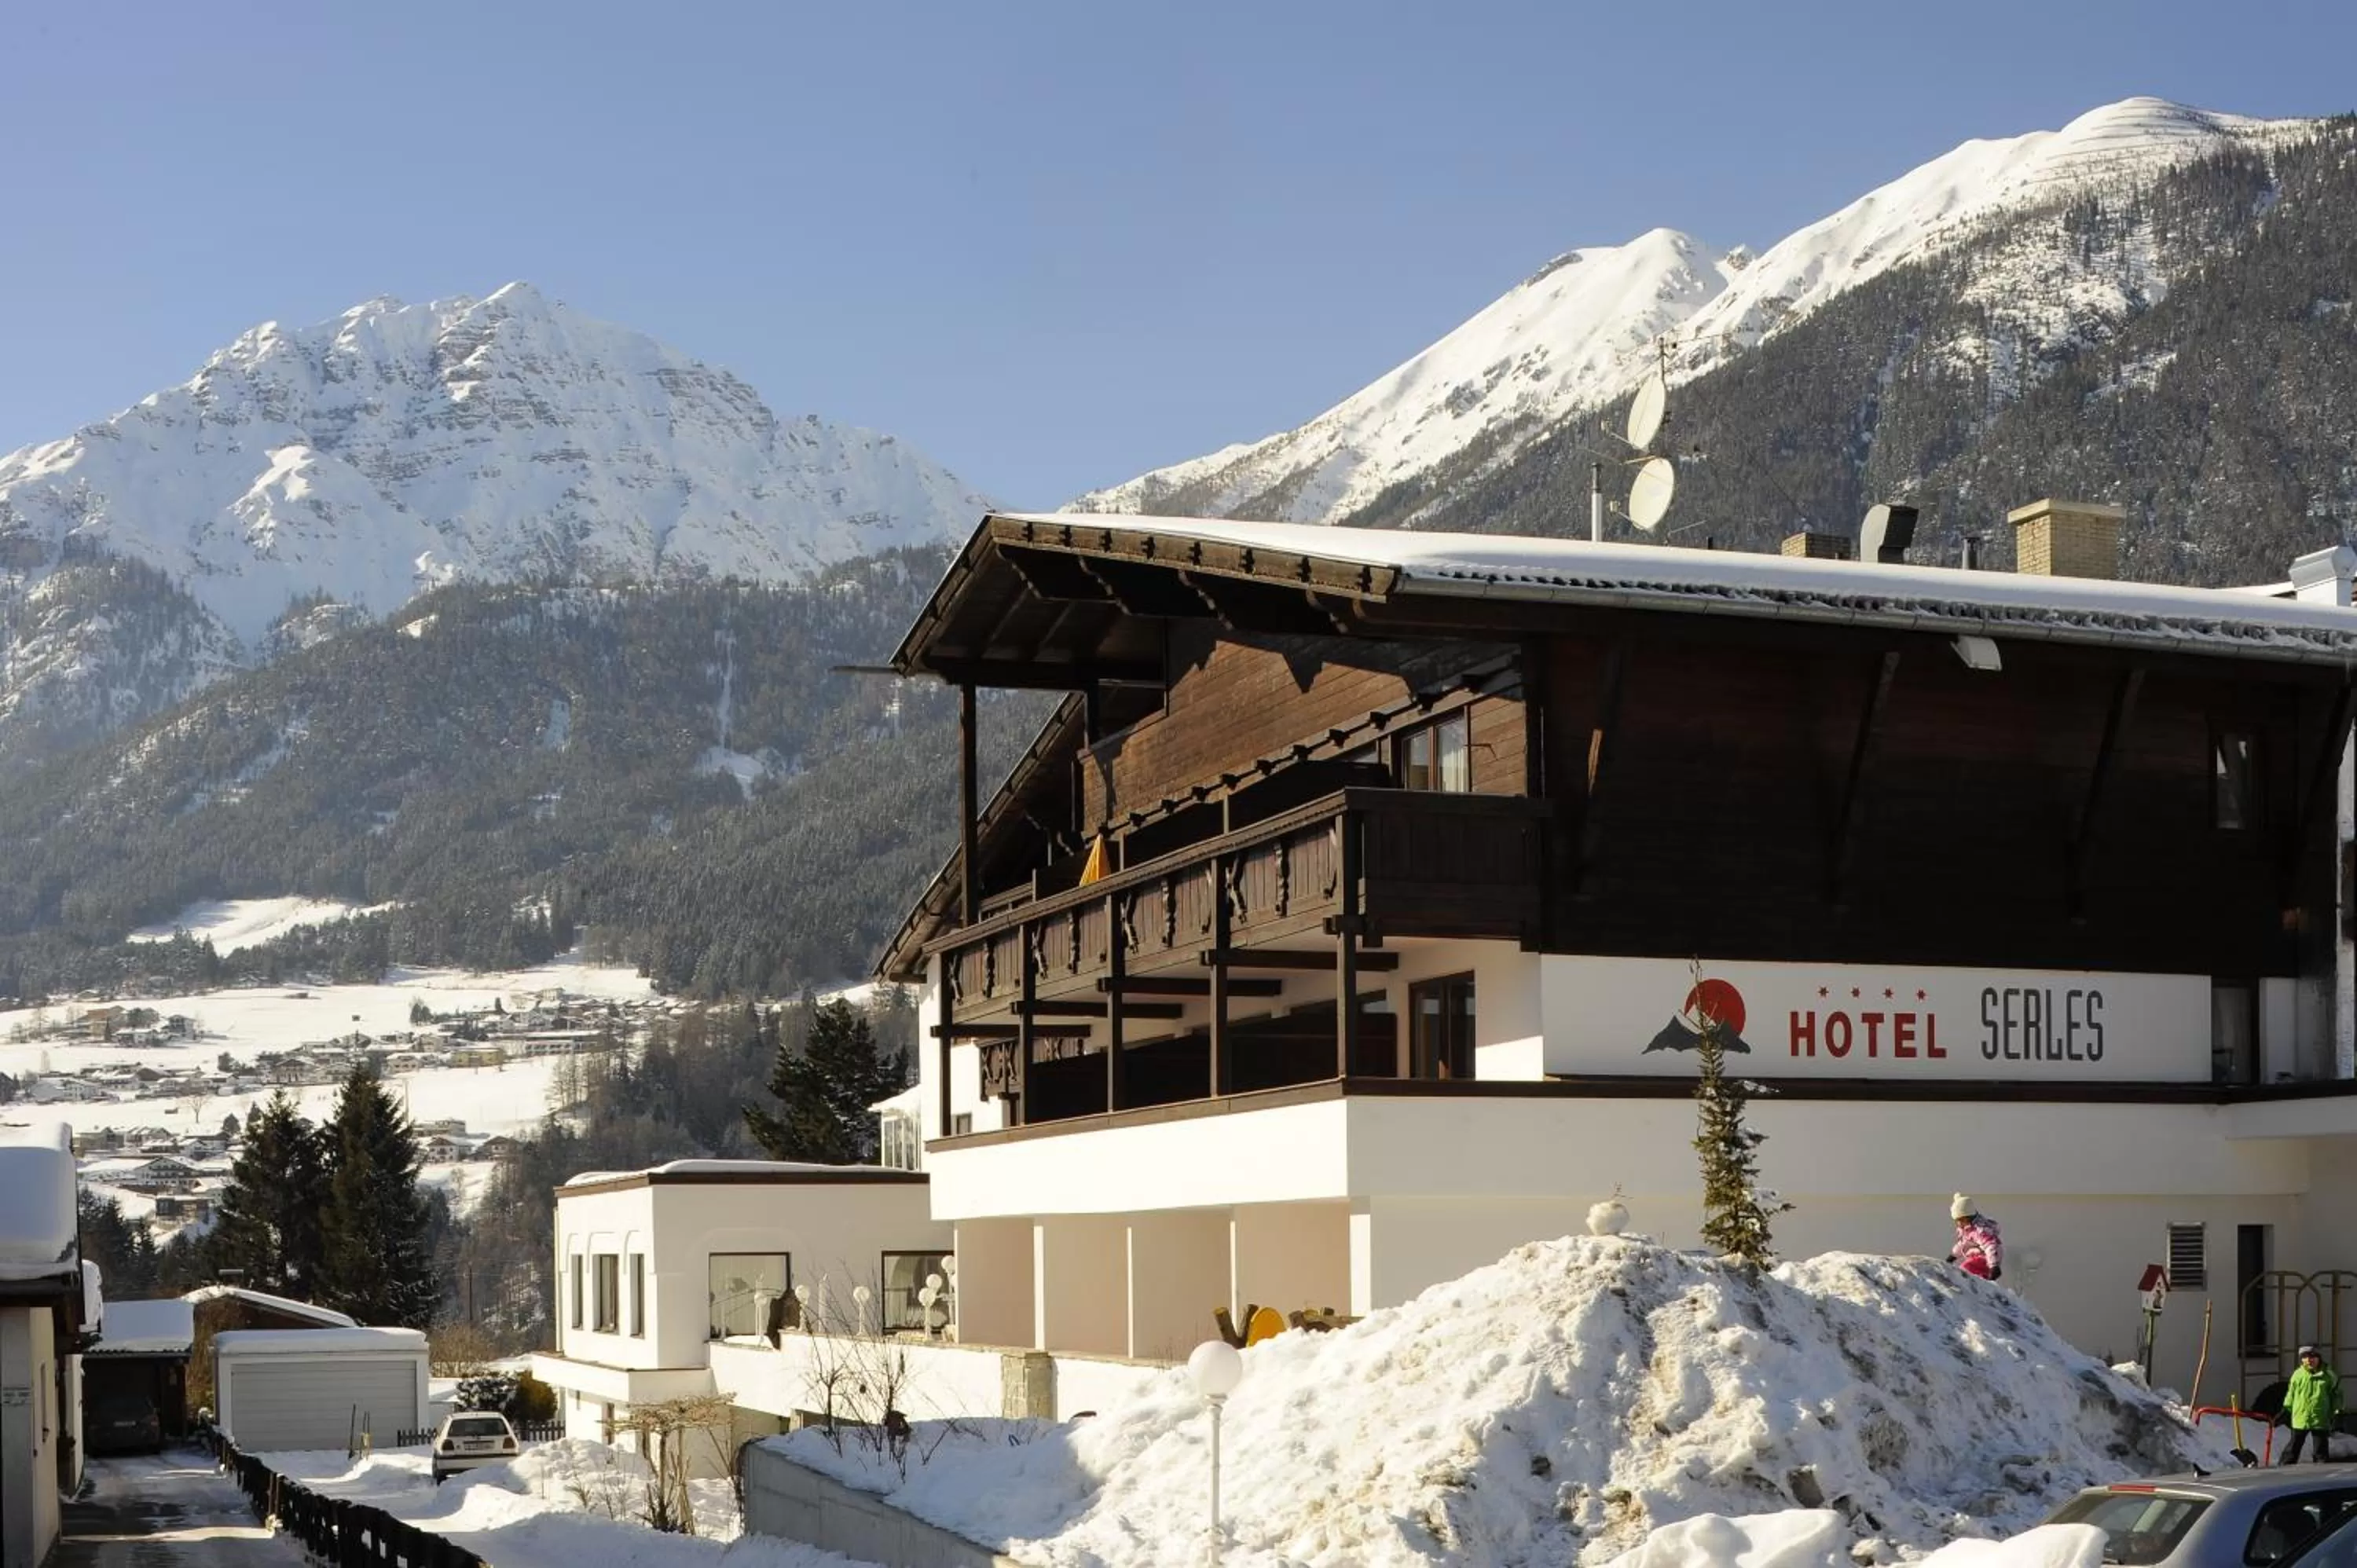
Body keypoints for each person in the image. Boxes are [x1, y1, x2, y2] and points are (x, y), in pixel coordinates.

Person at [2282, 1344, 2342, 1464]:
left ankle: (2320, 1473)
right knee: (2293, 1448)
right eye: (2305, 1357)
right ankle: (2284, 1469)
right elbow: (2291, 1393)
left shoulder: (2328, 1375)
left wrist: (2337, 1410)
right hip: (2300, 1416)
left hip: (2320, 1417)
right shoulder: (2298, 1374)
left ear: (2319, 1358)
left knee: (2320, 1450)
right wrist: (2286, 1408)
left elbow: (2337, 1394)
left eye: (2312, 1357)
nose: (2309, 1360)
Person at [1949, 1194, 2003, 1281]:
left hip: (1987, 1256)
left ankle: (1969, 1284)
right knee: (1977, 1273)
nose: (1958, 1224)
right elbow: (1964, 1244)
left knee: (1966, 1268)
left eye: (1960, 1220)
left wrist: (1994, 1265)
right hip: (1980, 1255)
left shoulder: (1979, 1230)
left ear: (1966, 1218)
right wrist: (1953, 1256)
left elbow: (1990, 1245)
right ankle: (1982, 1285)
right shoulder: (1968, 1229)